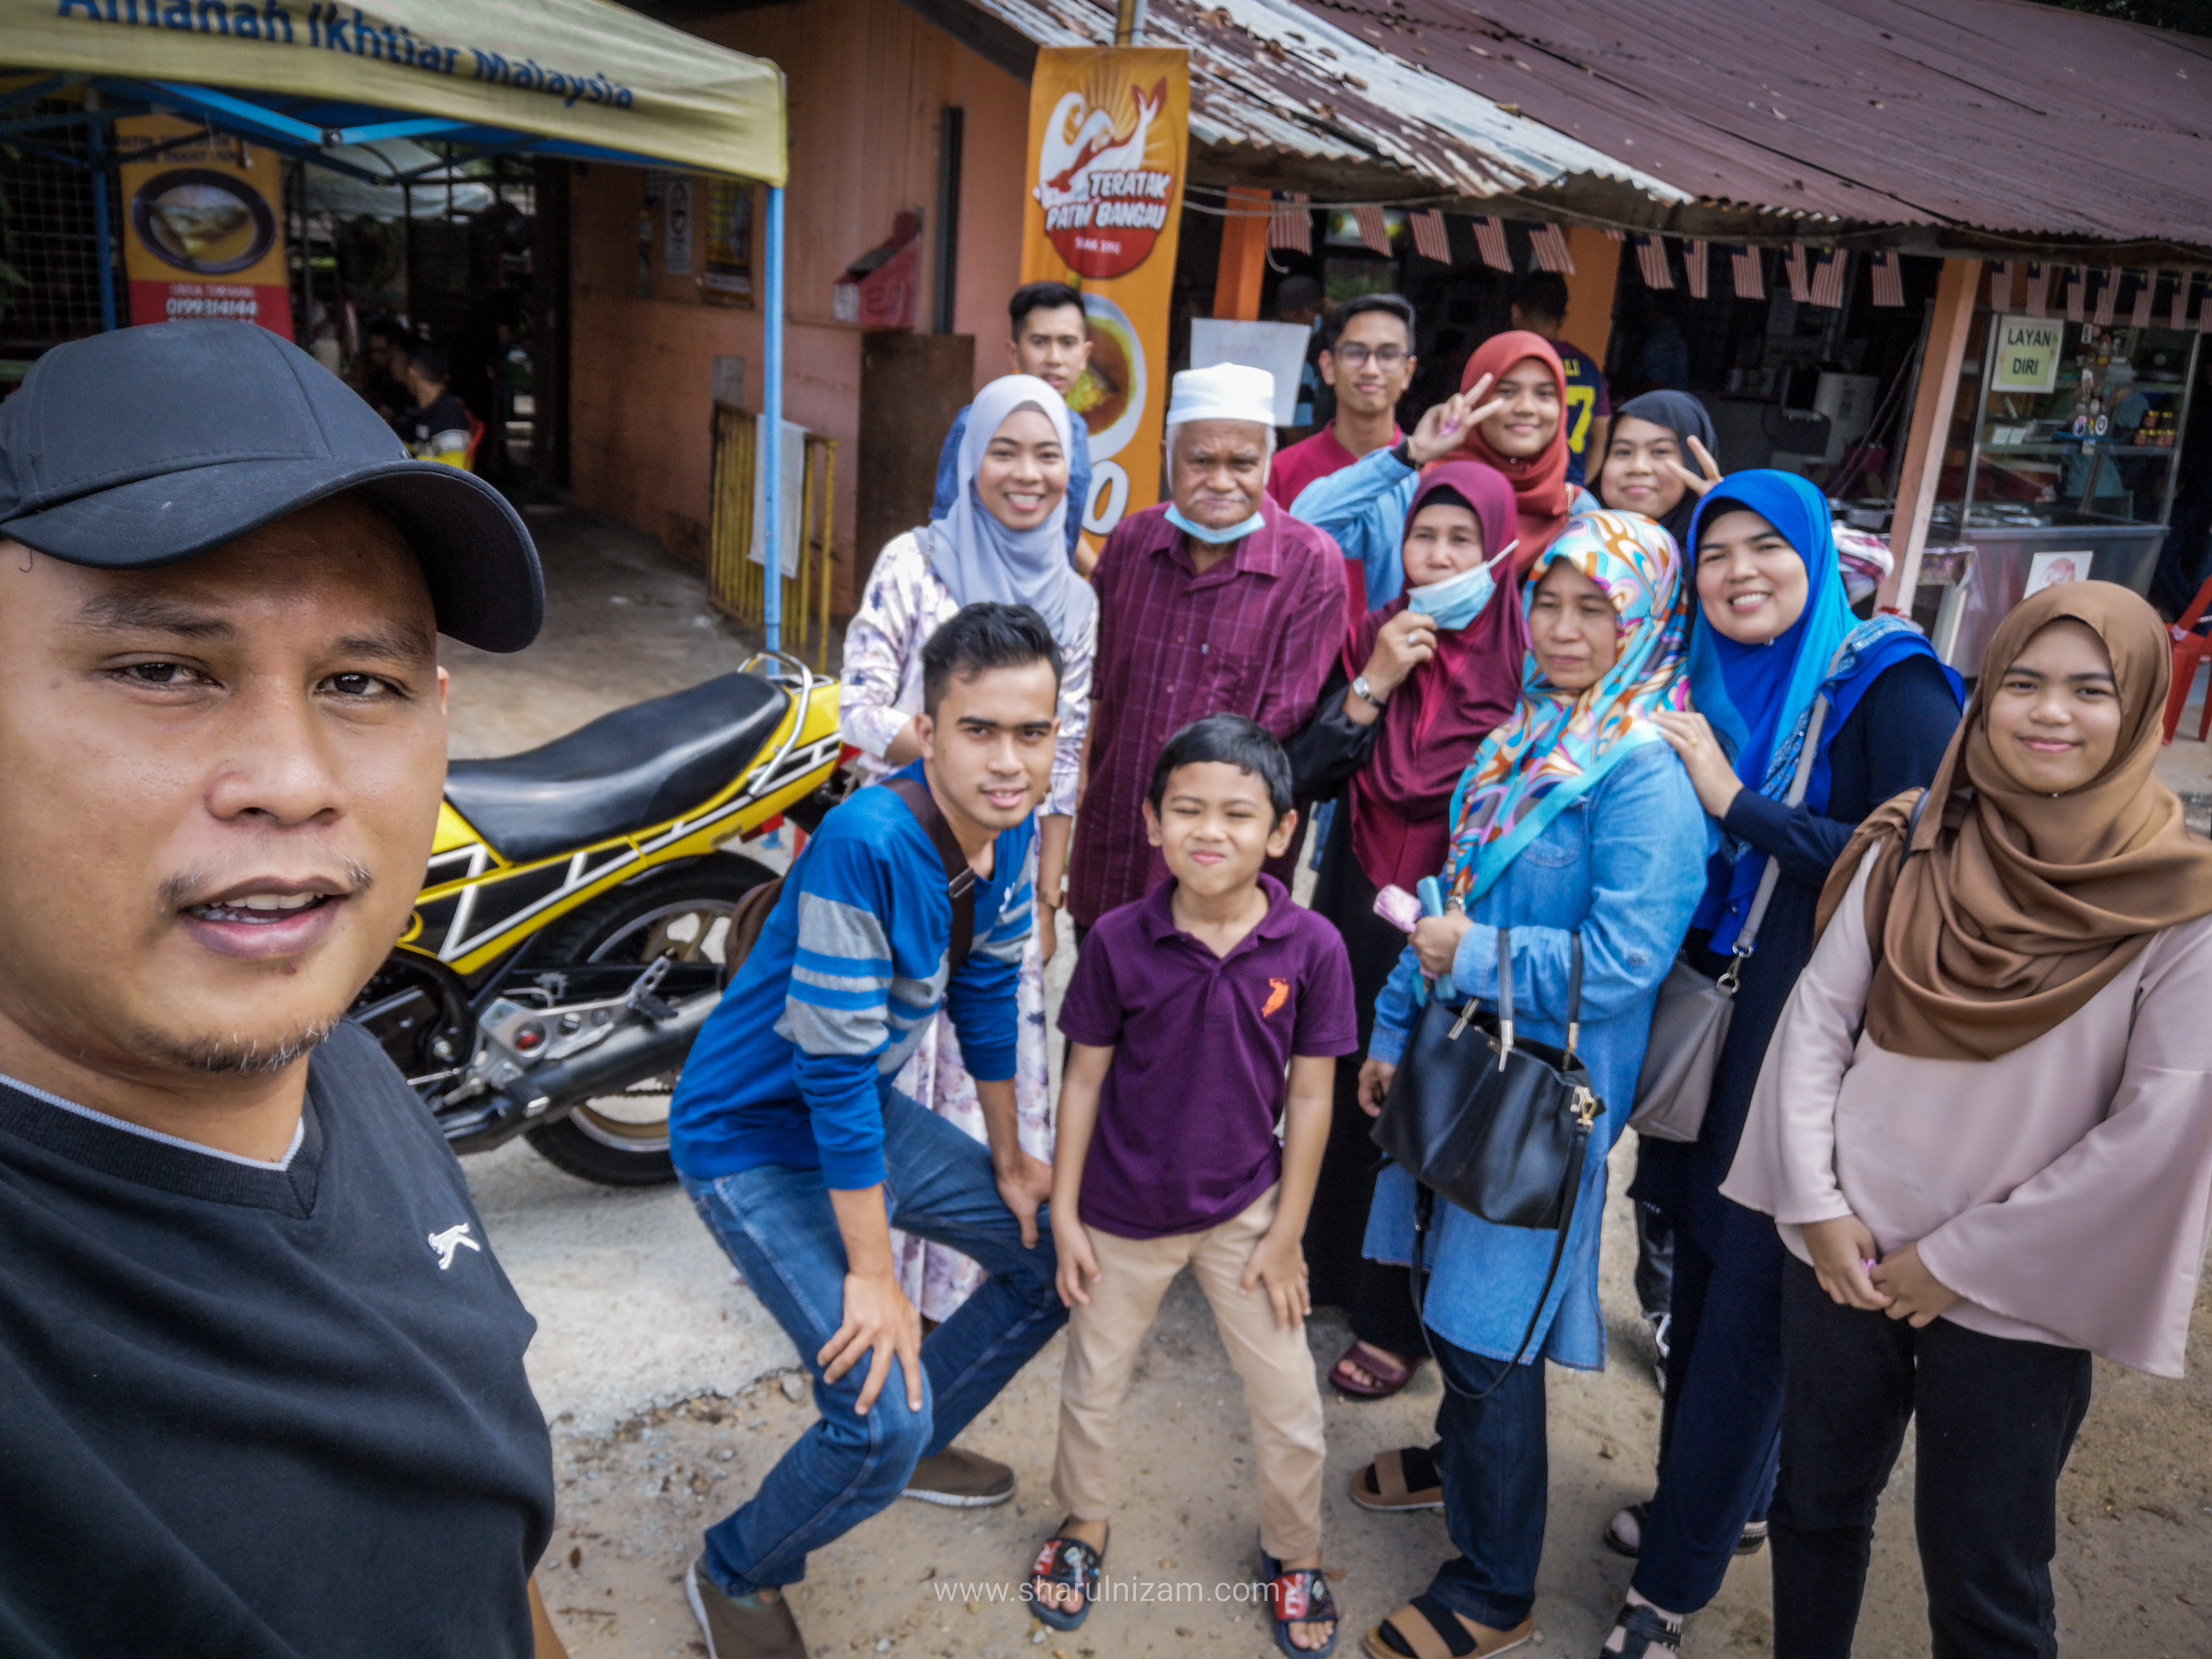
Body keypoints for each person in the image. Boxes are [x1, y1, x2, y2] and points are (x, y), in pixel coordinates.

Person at [0, 320, 563, 1656]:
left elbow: (482, 1537)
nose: (296, 776)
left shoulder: (332, 1058)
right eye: (163, 668)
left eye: (357, 682)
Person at [1722, 583, 2212, 1659]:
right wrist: (1813, 1202)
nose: (2049, 713)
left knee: (1987, 1575)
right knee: (1815, 1510)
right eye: (2022, 683)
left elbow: (2160, 1129)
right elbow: (1818, 1023)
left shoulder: (2180, 907)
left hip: (2016, 1297)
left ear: (2141, 710)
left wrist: (1959, 1261)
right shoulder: (1913, 841)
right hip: (1844, 1252)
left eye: (2092, 690)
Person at [1592, 471, 1964, 1658]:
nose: (1741, 573)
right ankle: (1725, 1503)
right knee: (1695, 1290)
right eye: (1715, 553)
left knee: (1747, 1306)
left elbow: (1921, 864)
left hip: (1805, 1052)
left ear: (1819, 556)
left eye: (1769, 548)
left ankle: (1671, 1589)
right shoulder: (1692, 680)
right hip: (1708, 1028)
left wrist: (1736, 802)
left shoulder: (1885, 683)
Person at [669, 604, 1069, 1659]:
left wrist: (1014, 1159)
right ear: (926, 730)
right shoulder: (867, 840)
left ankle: (916, 1443)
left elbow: (986, 991)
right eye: (978, 730)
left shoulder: (1011, 825)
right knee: (874, 1418)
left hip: (848, 1113)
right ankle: (736, 1565)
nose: (1007, 759)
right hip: (751, 1135)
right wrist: (874, 1269)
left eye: (1032, 733)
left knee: (1051, 1258)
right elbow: (833, 1071)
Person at [1355, 513, 1708, 1659]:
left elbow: (1621, 969)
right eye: (1548, 603)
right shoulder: (1524, 740)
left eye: (1593, 608)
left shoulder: (1644, 772)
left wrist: (1480, 962)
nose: (1562, 628)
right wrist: (1394, 1024)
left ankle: (1493, 1586)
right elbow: (1444, 893)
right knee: (1443, 1291)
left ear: (1644, 617)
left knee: (1484, 1333)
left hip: (1539, 1100)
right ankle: (1463, 1470)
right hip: (1460, 1063)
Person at [1031, 715, 1357, 1656]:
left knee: (1290, 1399)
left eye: (1237, 814)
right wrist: (1065, 1212)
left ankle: (1293, 1550)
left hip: (1245, 1212)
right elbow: (1083, 1075)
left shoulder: (1312, 947)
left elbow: (1312, 1093)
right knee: (1093, 1383)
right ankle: (1083, 1522)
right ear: (1150, 821)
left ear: (1281, 831)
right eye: (1187, 810)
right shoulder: (1121, 942)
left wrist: (1288, 1230)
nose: (1209, 832)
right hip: (1121, 1210)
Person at [842, 376, 1095, 1320]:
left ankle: (946, 1288)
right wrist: (960, 758)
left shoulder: (1073, 595)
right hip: (898, 856)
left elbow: (1062, 758)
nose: (1024, 474)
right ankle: (870, 1279)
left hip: (1005, 873)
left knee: (983, 1060)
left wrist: (1048, 891)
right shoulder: (914, 561)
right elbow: (855, 704)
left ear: (1073, 472)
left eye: (1047, 456)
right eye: (1005, 449)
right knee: (882, 1070)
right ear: (968, 457)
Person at [1283, 462, 1528, 1406]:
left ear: (1499, 550)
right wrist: (1377, 680)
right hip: (1358, 891)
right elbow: (1304, 769)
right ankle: (1329, 1266)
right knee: (1343, 1072)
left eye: (1461, 541)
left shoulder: (1528, 659)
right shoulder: (1374, 633)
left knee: (1428, 1102)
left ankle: (1396, 1317)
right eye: (1424, 537)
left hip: (1462, 913)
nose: (1438, 557)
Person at [1065, 364, 1348, 934]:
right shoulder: (1131, 543)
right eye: (1201, 461)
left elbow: (1281, 726)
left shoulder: (1311, 565)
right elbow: (1092, 691)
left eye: (1242, 463)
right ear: (1170, 455)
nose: (1222, 481)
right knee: (1096, 1016)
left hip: (1222, 872)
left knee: (1212, 1018)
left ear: (1267, 461)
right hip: (1115, 841)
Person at [1587, 388, 1722, 1371]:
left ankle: (1669, 1300)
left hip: (1700, 884)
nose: (1638, 468)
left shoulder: (1718, 581)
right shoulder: (1586, 565)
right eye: (1621, 450)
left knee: (1675, 1108)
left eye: (1662, 454)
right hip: (1596, 867)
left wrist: (1722, 512)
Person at [1293, 331, 1596, 607]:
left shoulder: (1574, 510)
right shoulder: (1415, 487)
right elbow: (1306, 526)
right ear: (1473, 399)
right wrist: (1412, 454)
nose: (1527, 408)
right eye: (1506, 391)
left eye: (1544, 394)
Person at [933, 282, 1094, 565]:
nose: (1054, 358)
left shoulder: (1076, 429)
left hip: (1050, 594)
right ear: (1014, 353)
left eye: (1068, 343)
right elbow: (946, 521)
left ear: (1084, 356)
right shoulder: (976, 424)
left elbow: (1060, 524)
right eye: (1040, 342)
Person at [1269, 294, 1417, 510]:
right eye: (1355, 353)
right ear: (1328, 367)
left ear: (1408, 372)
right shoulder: (1281, 472)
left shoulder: (1427, 474)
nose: (1370, 370)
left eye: (1388, 355)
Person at [1510, 271, 1611, 486]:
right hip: (1568, 487)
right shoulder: (1589, 368)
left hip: (1514, 484)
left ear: (1515, 312)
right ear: (1563, 318)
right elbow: (1601, 438)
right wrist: (1578, 487)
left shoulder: (1511, 361)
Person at [397, 341, 475, 468]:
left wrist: (410, 461)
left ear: (412, 373)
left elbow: (455, 466)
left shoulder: (449, 413)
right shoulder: (424, 410)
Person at [1276, 274, 1327, 430]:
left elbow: (1299, 433)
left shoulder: (1332, 335)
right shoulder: (1280, 341)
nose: (1286, 322)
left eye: (1290, 315)